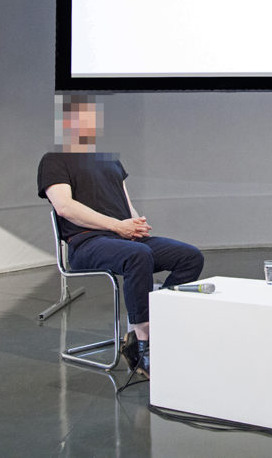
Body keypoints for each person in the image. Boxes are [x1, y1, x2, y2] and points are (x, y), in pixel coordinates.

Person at [37, 95, 204, 378]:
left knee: (190, 257)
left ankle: (155, 319)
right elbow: (65, 207)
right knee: (138, 256)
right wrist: (117, 226)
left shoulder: (109, 161)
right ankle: (142, 344)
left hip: (123, 237)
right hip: (87, 243)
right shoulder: (54, 160)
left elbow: (126, 205)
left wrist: (134, 224)